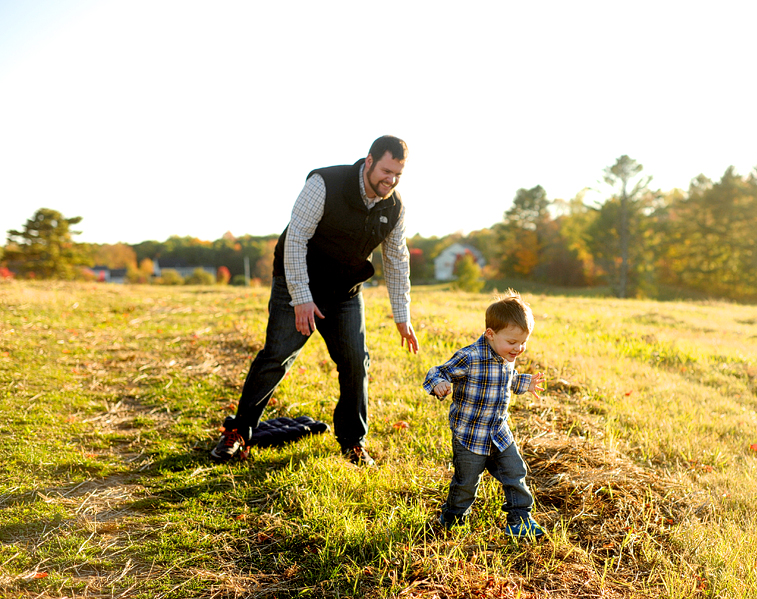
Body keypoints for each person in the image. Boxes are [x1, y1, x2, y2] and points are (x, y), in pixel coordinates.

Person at [212, 135, 419, 466]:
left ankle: (353, 441)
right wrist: (302, 297)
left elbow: (397, 259)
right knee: (276, 357)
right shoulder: (324, 183)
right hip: (297, 282)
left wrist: (402, 314)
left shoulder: (394, 207)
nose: (390, 180)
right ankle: (238, 433)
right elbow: (295, 239)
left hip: (345, 293)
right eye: (385, 171)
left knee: (355, 362)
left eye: (397, 175)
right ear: (368, 161)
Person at [423, 290, 546, 538]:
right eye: (513, 342)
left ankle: (520, 519)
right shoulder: (470, 357)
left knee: (515, 472)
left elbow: (506, 379)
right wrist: (438, 384)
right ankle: (453, 518)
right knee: (466, 482)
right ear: (490, 334)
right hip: (470, 436)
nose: (519, 348)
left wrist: (525, 383)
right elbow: (438, 371)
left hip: (499, 432)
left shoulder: (505, 355)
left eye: (523, 342)